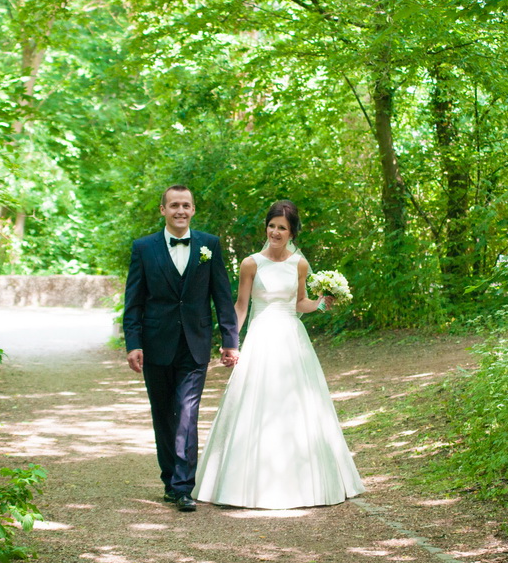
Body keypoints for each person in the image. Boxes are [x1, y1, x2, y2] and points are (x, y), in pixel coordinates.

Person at [194, 200, 364, 509]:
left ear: (292, 232)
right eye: (272, 226)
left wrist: (323, 303)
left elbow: (301, 303)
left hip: (291, 340)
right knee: (255, 404)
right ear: (266, 228)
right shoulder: (251, 263)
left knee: (298, 406)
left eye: (282, 228)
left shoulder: (299, 264)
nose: (275, 232)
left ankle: (303, 481)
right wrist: (230, 341)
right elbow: (242, 306)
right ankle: (242, 483)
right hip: (260, 337)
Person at [123, 184, 240, 512]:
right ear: (162, 210)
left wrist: (230, 341)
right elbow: (133, 301)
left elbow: (222, 297)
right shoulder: (143, 248)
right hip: (156, 343)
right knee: (163, 414)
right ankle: (169, 479)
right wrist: (133, 343)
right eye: (174, 205)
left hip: (195, 343)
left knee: (187, 413)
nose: (180, 211)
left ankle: (183, 487)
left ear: (193, 210)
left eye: (186, 205)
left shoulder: (209, 246)